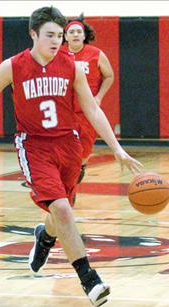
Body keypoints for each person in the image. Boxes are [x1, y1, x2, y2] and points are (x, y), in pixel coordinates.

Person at [0, 6, 143, 307]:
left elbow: (92, 109)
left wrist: (116, 148)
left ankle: (45, 237)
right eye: (50, 35)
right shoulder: (14, 65)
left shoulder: (71, 66)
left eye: (60, 35)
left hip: (68, 144)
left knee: (63, 209)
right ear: (33, 34)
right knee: (63, 208)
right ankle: (90, 280)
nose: (56, 41)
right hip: (34, 146)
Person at [62, 14, 115, 185]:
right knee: (64, 153)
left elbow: (109, 76)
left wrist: (99, 96)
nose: (76, 34)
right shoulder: (58, 54)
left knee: (82, 155)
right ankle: (66, 189)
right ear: (65, 36)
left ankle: (77, 175)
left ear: (84, 35)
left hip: (86, 112)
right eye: (72, 32)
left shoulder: (96, 54)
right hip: (65, 111)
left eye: (79, 31)